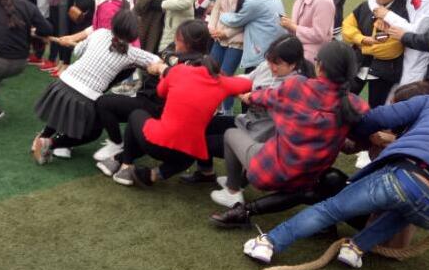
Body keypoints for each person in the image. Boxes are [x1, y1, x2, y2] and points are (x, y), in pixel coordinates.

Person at [244, 94, 429, 268]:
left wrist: (360, 136)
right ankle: (355, 248)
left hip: (408, 177)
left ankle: (269, 242)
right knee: (404, 210)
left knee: (331, 210)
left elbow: (379, 118)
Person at [209, 41, 368, 208]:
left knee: (231, 134)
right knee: (261, 142)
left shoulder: (298, 86)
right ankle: (236, 180)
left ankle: (233, 192)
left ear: (319, 65)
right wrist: (340, 142)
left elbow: (265, 97)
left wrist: (248, 96)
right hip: (309, 178)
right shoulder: (356, 105)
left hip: (272, 172)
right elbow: (360, 142)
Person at [96, 24, 253, 187]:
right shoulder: (219, 80)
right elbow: (246, 83)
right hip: (185, 154)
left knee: (137, 115)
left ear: (183, 42)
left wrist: (163, 71)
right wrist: (247, 94)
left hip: (157, 141)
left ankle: (125, 165)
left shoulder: (177, 71)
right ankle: (154, 173)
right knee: (196, 138)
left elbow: (161, 91)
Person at [32, 9, 162, 164]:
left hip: (63, 82)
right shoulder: (132, 53)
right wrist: (152, 66)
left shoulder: (99, 33)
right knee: (93, 132)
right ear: (134, 33)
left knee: (62, 111)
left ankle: (43, 137)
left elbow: (78, 51)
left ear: (113, 24)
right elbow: (156, 60)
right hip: (85, 96)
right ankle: (51, 143)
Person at [181, 35, 313, 185]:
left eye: (278, 64)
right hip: (248, 121)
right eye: (270, 61)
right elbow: (246, 79)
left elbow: (263, 99)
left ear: (293, 65)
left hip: (262, 134)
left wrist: (245, 95)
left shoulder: (294, 85)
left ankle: (236, 184)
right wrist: (219, 80)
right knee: (206, 124)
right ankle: (207, 173)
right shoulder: (266, 66)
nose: (272, 67)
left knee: (204, 142)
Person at [93, 18, 212, 164]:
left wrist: (162, 69)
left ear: (191, 42)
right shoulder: (174, 49)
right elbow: (155, 62)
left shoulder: (198, 63)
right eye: (177, 36)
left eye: (180, 39)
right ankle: (119, 151)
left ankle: (119, 150)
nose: (176, 40)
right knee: (104, 103)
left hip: (159, 107)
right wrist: (157, 67)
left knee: (106, 103)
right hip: (146, 97)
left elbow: (176, 78)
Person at [342, 0, 408, 108]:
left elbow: (393, 48)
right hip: (359, 64)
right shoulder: (366, 6)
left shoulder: (402, 13)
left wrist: (362, 46)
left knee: (376, 109)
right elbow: (346, 27)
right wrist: (362, 39)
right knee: (344, 102)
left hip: (384, 72)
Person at [217, 0, 287, 73]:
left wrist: (221, 14)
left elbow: (236, 20)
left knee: (254, 80)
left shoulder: (254, 2)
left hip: (262, 51)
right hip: (274, 46)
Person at [209, 0, 250, 112]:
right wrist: (212, 27)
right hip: (219, 36)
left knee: (225, 77)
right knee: (211, 73)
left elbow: (243, 17)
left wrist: (226, 33)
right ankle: (213, 108)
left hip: (236, 39)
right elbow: (217, 8)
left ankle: (227, 112)